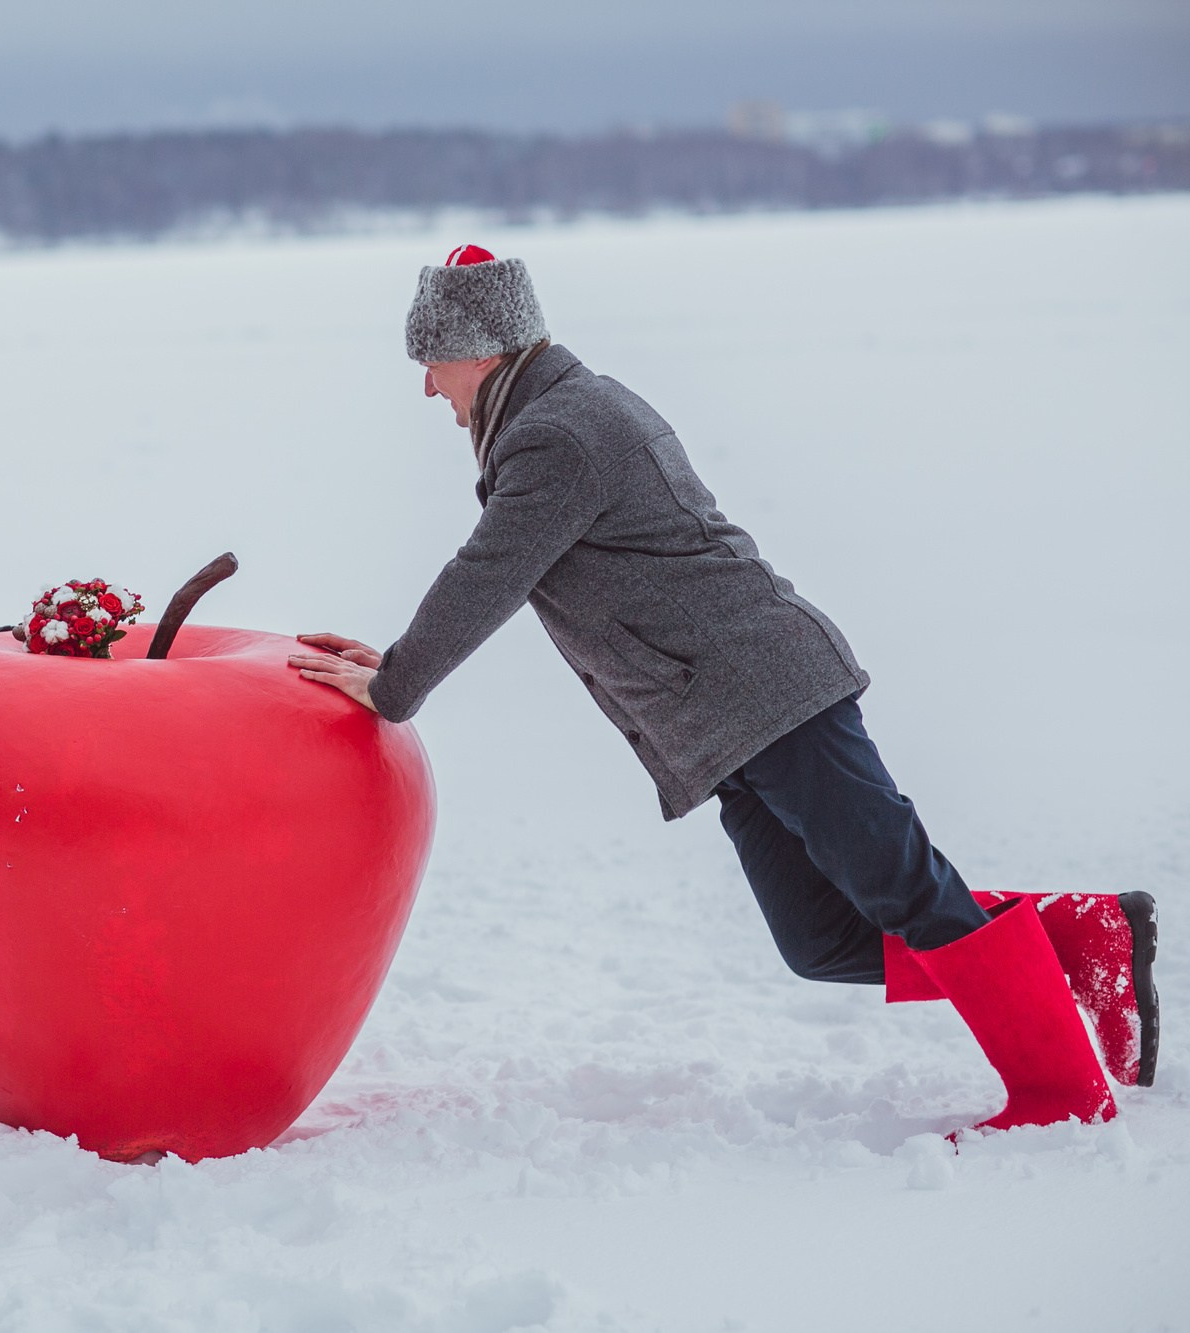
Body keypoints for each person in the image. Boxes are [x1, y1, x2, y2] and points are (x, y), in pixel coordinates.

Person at [289, 244, 1158, 1133]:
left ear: (479, 348)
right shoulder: (563, 414)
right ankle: (1087, 940)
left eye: (430, 361)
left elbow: (489, 573)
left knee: (905, 891)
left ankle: (1058, 1093)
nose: (429, 388)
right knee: (819, 940)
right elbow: (503, 569)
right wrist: (395, 663)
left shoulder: (560, 433)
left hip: (772, 695)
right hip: (729, 719)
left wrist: (394, 684)